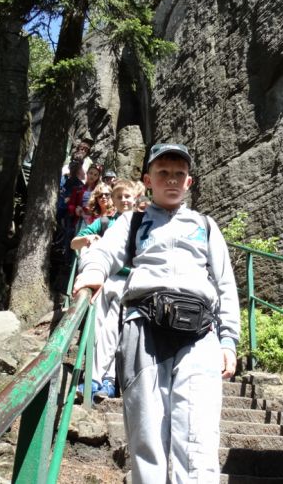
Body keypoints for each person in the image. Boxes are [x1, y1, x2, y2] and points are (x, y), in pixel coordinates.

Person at [72, 143, 240, 482]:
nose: (172, 179)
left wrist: (229, 341)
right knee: (147, 435)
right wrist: (92, 272)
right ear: (148, 180)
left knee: (199, 437)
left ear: (189, 182)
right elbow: (103, 252)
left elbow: (225, 284)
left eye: (179, 173)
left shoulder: (205, 226)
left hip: (199, 333)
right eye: (163, 173)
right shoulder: (132, 222)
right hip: (144, 328)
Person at [72, 179, 141, 399]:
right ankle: (94, 378)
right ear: (114, 200)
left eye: (127, 196)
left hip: (127, 282)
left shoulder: (142, 223)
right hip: (105, 278)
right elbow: (75, 243)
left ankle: (104, 380)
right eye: (119, 197)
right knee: (97, 327)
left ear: (135, 198)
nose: (124, 200)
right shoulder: (105, 222)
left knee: (113, 328)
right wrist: (87, 238)